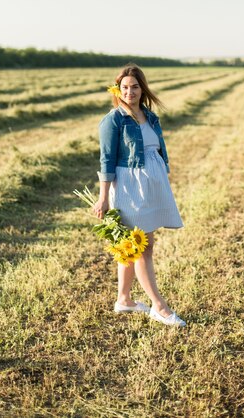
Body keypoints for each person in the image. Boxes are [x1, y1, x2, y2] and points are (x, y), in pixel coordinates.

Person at [93, 63, 186, 327]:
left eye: (135, 87)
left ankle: (124, 299)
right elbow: (106, 161)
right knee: (140, 248)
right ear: (117, 89)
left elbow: (155, 150)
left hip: (150, 185)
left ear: (142, 89)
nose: (130, 92)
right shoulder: (113, 120)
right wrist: (103, 198)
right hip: (128, 187)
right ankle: (159, 307)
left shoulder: (150, 116)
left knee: (133, 247)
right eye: (125, 87)